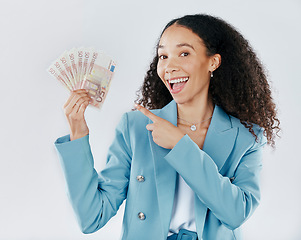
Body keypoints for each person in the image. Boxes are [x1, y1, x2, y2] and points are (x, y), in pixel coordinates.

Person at [54, 14, 280, 240]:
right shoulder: (135, 128)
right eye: (163, 55)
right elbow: (92, 217)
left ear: (213, 62)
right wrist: (78, 134)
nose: (169, 67)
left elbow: (235, 213)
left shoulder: (246, 137)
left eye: (184, 53)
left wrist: (181, 146)